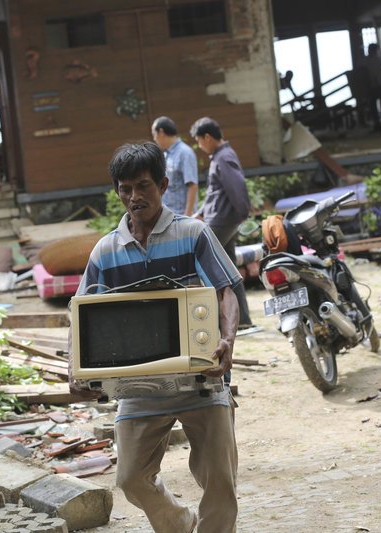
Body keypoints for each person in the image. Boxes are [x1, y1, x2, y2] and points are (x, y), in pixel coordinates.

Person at [71, 141, 240, 533]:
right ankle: (179, 522)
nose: (135, 196)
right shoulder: (105, 252)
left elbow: (225, 291)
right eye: (126, 189)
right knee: (130, 477)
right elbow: (79, 315)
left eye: (143, 186)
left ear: (163, 185)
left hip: (201, 380)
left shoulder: (193, 233)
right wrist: (72, 367)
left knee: (220, 481)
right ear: (117, 192)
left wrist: (228, 340)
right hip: (138, 386)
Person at [189, 117, 257, 333]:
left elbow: (237, 187)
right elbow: (215, 193)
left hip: (222, 221)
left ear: (207, 137)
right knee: (230, 271)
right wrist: (200, 212)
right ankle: (242, 320)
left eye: (199, 141)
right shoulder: (220, 157)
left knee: (202, 263)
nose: (200, 146)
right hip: (221, 219)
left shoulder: (224, 157)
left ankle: (213, 320)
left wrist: (243, 213)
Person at [151, 116, 199, 216]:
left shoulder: (185, 153)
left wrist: (187, 216)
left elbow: (192, 186)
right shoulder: (165, 154)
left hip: (181, 215)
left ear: (161, 132)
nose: (154, 139)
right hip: (169, 214)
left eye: (154, 134)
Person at [363, 43, 381, 131]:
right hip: (380, 85)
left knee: (377, 106)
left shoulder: (370, 61)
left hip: (379, 86)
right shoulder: (376, 60)